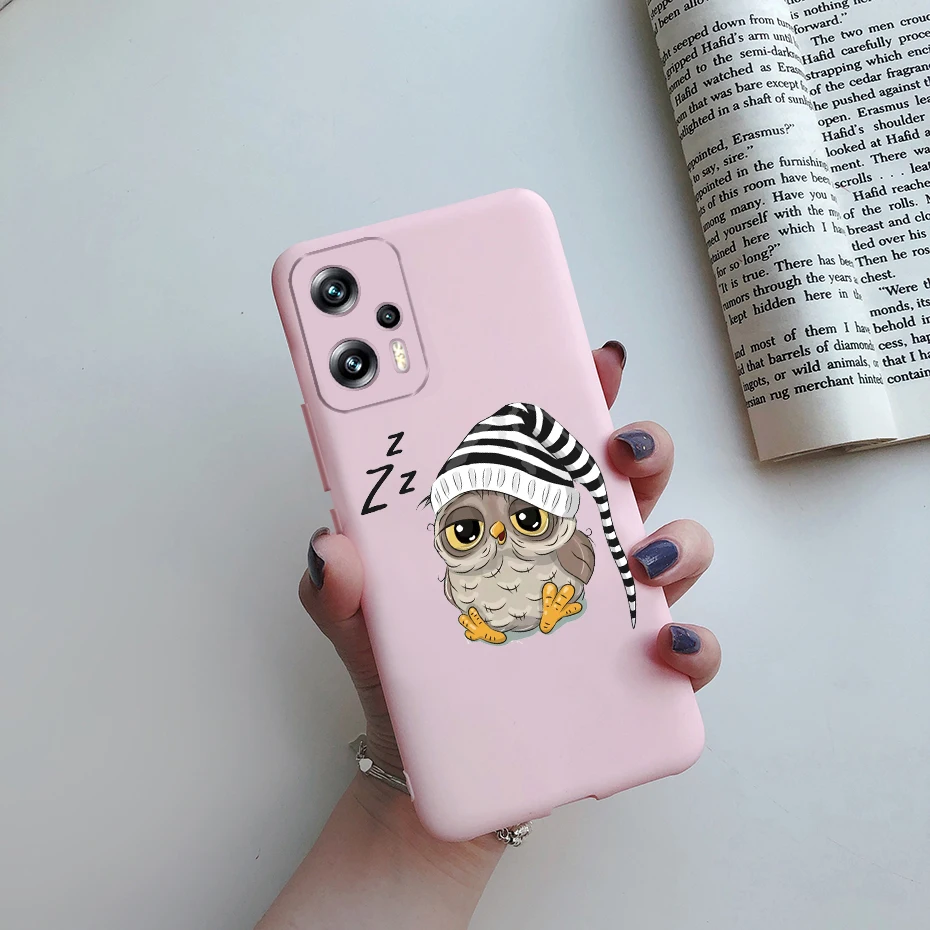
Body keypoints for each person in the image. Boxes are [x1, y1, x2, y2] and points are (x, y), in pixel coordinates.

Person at [255, 343, 721, 930]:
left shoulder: (571, 551)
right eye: (468, 530)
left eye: (528, 519)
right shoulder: (462, 582)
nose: (498, 539)